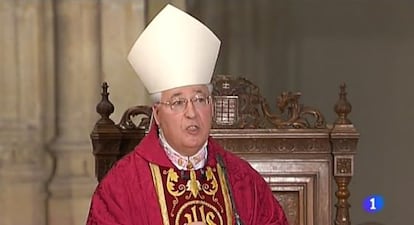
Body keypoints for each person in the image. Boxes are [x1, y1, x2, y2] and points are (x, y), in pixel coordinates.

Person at [86, 4, 289, 225]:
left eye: (200, 99)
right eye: (178, 102)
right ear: (158, 113)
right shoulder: (122, 187)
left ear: (211, 106)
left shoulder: (242, 180)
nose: (191, 112)